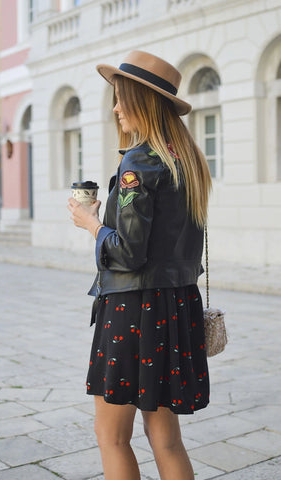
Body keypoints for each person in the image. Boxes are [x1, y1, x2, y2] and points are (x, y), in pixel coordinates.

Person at [67, 50, 212, 480]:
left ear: (142, 102)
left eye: (121, 97)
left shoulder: (138, 163)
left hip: (135, 308)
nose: (115, 107)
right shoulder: (186, 160)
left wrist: (91, 223)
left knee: (111, 436)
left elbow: (128, 252)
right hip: (176, 307)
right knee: (166, 438)